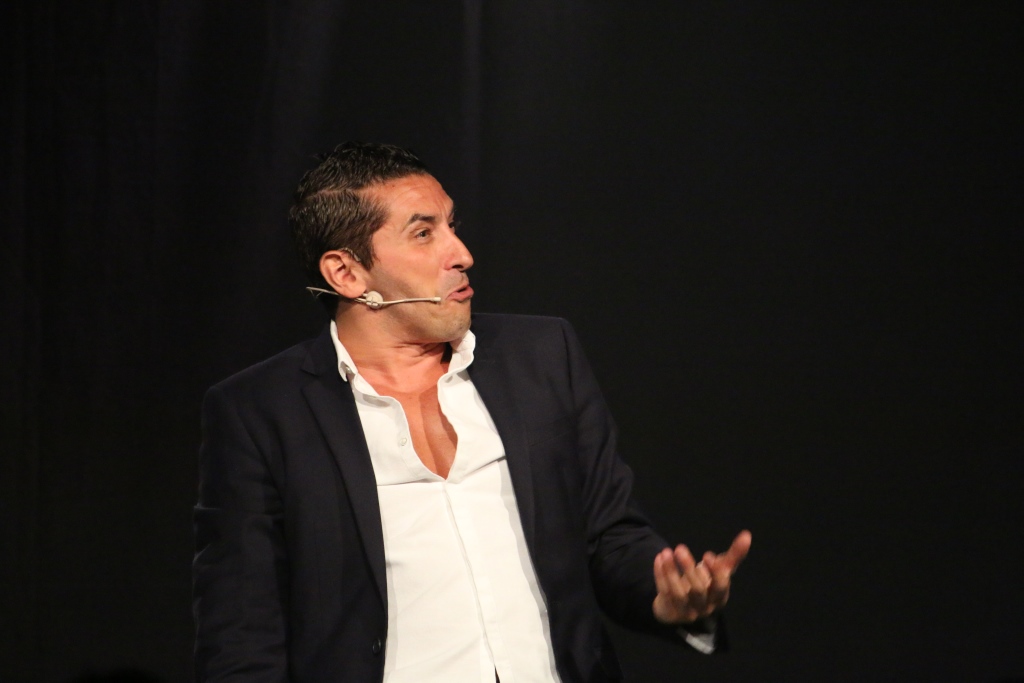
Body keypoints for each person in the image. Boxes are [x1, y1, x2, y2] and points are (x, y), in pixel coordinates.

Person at [192, 142, 751, 683]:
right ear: (347, 274)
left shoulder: (541, 357)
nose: (461, 254)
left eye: (451, 225)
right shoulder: (260, 412)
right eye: (423, 233)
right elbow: (242, 637)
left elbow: (608, 537)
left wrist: (667, 596)